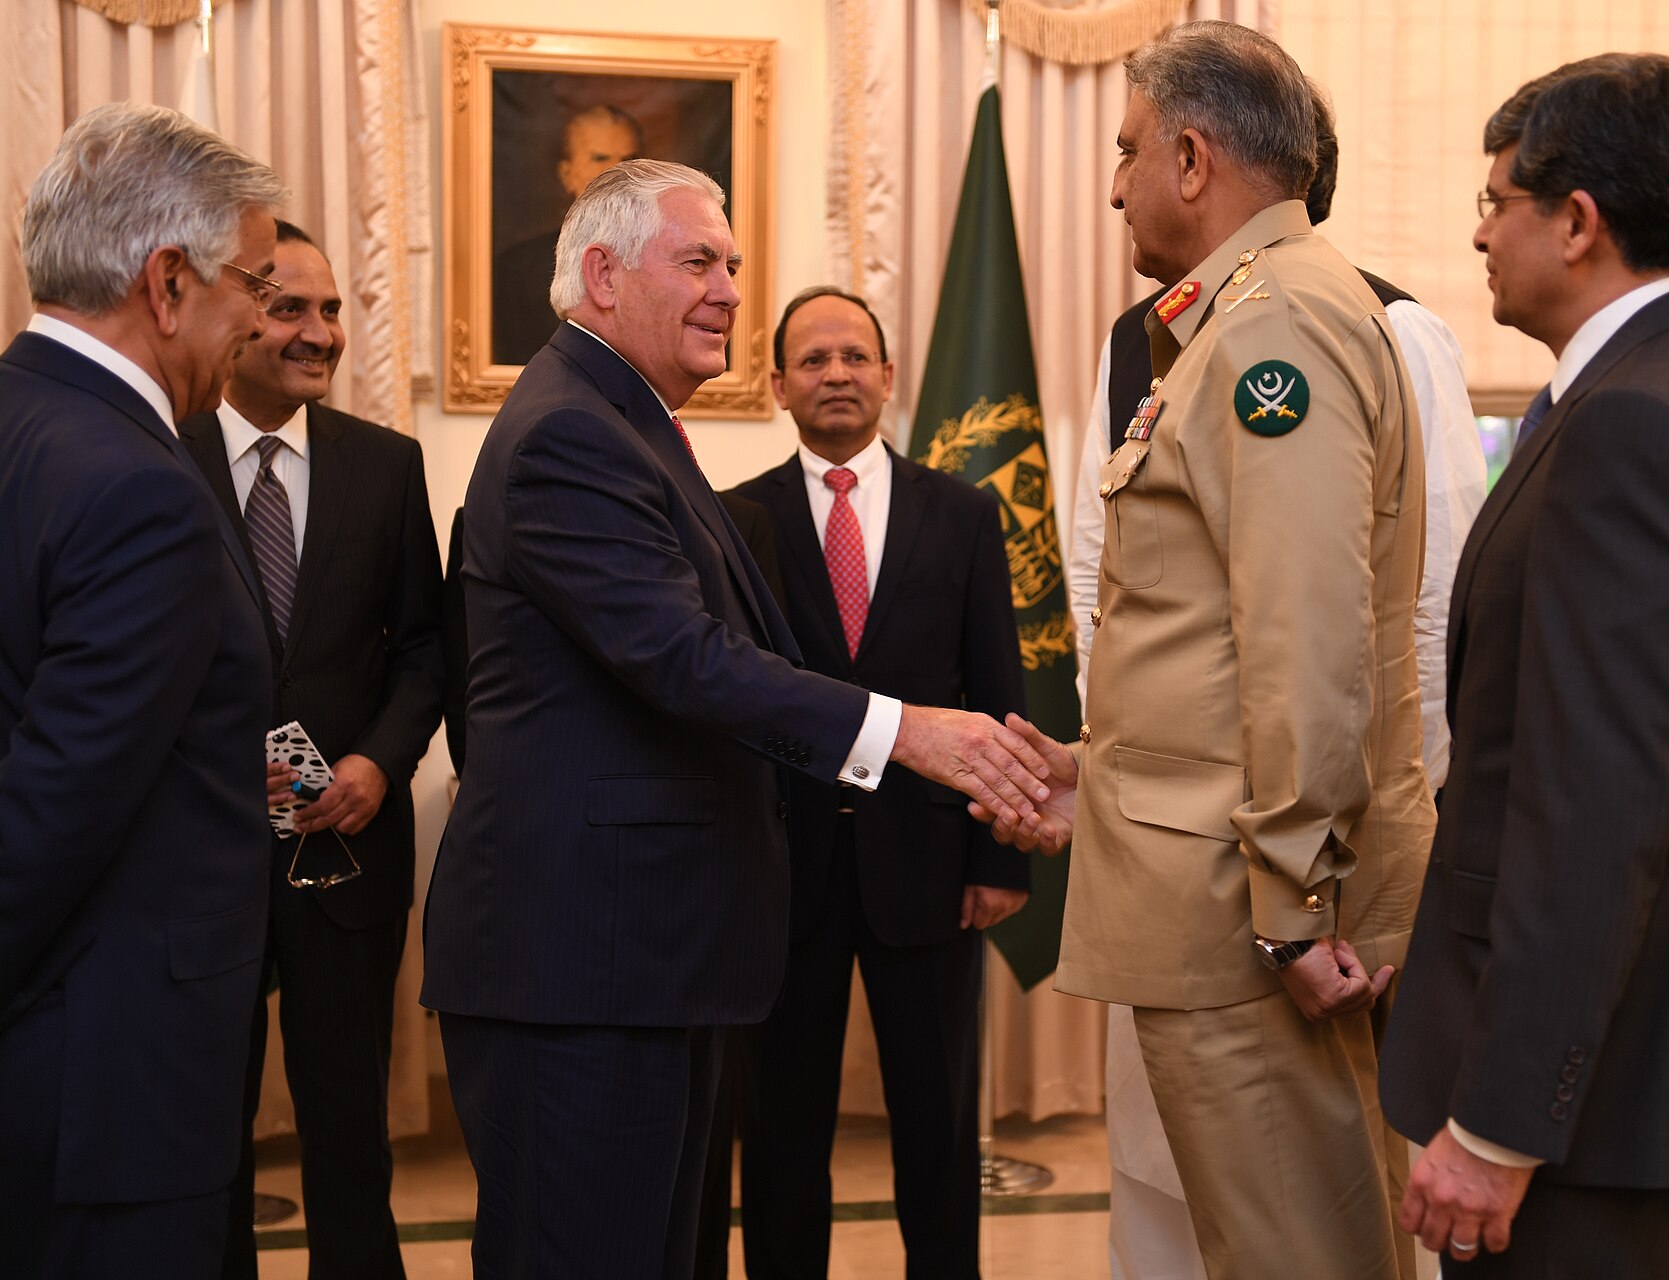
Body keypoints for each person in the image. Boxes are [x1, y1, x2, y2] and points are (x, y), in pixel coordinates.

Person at [419, 158, 1053, 1280]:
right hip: (588, 966)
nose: (727, 287)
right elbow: (685, 658)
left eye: (734, 265)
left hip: (647, 954)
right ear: (603, 276)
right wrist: (909, 731)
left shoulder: (629, 422)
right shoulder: (573, 433)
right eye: (700, 261)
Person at [1377, 53, 1669, 1274]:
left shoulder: (1635, 421)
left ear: (1577, 222)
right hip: (1642, 1075)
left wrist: (1500, 1121)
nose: (1478, 233)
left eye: (1496, 201)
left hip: (1592, 1101)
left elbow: (1592, 813)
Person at [997, 21, 1434, 1278]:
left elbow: (1309, 639)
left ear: (1194, 157)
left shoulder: (1269, 329)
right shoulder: (1247, 313)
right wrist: (1105, 769)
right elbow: (1214, 636)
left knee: (1297, 1250)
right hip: (1225, 886)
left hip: (1245, 918)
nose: (1117, 181)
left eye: (1130, 150)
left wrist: (1292, 915)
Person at [0, 102, 285, 1279]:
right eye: (253, 287)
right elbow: (57, 811)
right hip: (106, 1081)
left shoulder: (26, 420)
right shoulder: (144, 487)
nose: (258, 324)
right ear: (168, 281)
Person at [728, 286, 1029, 1280]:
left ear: (889, 375)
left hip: (933, 872)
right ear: (778, 384)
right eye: (812, 360)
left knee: (938, 1132)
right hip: (784, 877)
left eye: (855, 356)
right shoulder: (737, 522)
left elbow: (996, 692)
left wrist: (999, 855)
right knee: (781, 1134)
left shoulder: (966, 510)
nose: (837, 375)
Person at [177, 221, 444, 1280]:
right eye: (291, 308)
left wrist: (380, 762)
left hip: (346, 855)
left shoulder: (386, 466)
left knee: (349, 1138)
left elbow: (426, 651)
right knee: (206, 1138)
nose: (318, 332)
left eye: (331, 311)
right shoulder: (162, 453)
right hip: (201, 862)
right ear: (238, 314)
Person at [492, 104, 644, 366]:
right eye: (600, 158)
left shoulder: (666, 259)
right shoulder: (518, 269)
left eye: (628, 160)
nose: (619, 173)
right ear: (567, 175)